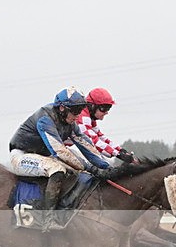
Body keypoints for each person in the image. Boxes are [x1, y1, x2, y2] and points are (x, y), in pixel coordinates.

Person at [9, 86, 111, 230]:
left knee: (75, 172)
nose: (78, 115)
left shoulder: (70, 123)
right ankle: (47, 219)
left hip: (42, 155)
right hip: (21, 155)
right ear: (62, 108)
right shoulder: (45, 119)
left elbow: (86, 146)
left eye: (80, 111)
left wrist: (107, 168)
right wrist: (90, 167)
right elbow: (59, 151)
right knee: (57, 170)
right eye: (75, 111)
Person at [76, 87, 136, 164]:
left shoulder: (90, 118)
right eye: (104, 108)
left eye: (109, 108)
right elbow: (92, 142)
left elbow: (101, 137)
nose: (106, 112)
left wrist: (121, 150)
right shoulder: (82, 117)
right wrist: (118, 154)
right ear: (92, 106)